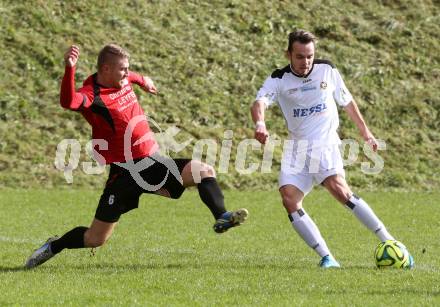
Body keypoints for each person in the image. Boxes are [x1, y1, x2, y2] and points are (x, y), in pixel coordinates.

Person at [25, 44, 248, 269]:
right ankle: (55, 246)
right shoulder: (92, 95)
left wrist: (142, 80)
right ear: (105, 69)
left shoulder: (121, 79)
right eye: (122, 69)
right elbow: (68, 101)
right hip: (124, 173)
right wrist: (69, 69)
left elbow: (131, 75)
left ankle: (222, 216)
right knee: (95, 238)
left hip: (151, 162)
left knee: (204, 170)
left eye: (127, 69)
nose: (126, 74)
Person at [250, 30, 413, 268]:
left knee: (340, 191)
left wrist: (365, 132)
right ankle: (327, 257)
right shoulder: (278, 79)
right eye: (299, 56)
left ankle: (391, 242)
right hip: (297, 148)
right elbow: (259, 103)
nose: (305, 62)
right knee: (289, 199)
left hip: (324, 143)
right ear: (288, 54)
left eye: (309, 56)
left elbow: (346, 101)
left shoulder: (327, 70)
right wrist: (260, 124)